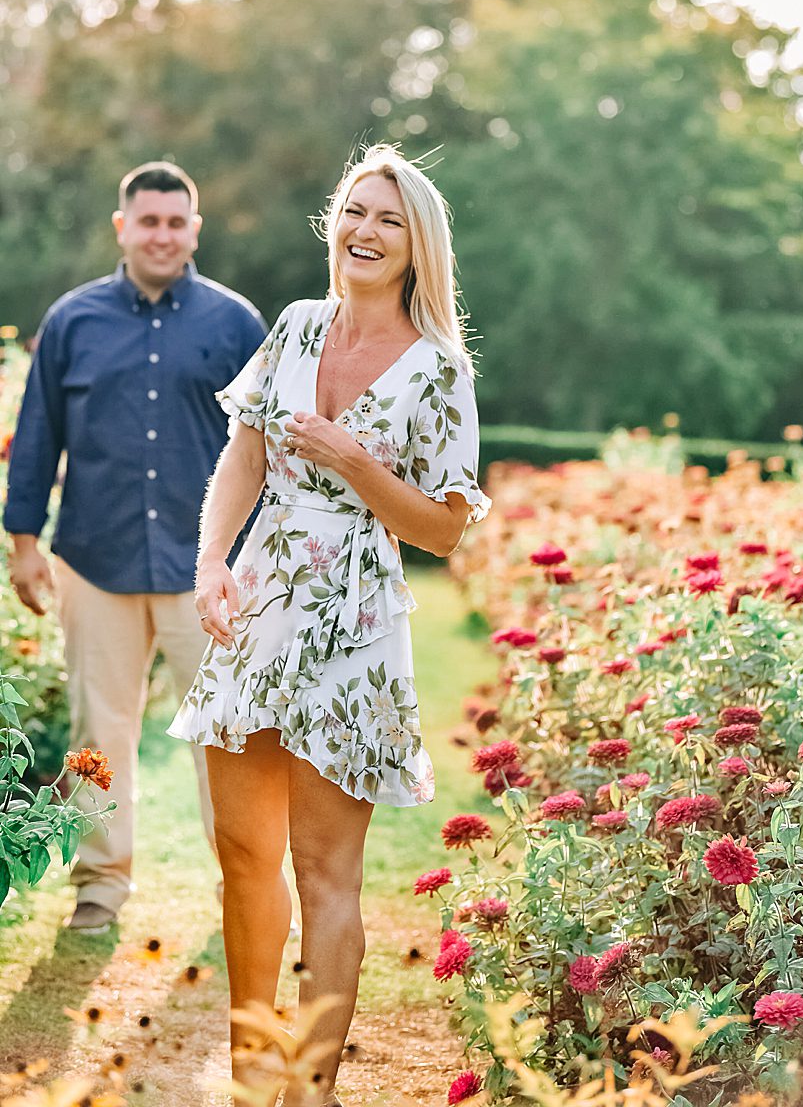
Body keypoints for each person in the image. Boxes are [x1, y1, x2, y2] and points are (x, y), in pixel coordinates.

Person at [169, 143, 490, 1104]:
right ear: (333, 224)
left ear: (417, 245)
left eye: (389, 219)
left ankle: (310, 1086)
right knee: (242, 854)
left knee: (323, 866)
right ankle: (252, 1070)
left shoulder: (438, 372)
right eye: (356, 211)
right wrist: (212, 561)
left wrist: (358, 463)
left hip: (354, 618)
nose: (366, 230)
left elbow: (443, 529)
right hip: (260, 605)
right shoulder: (298, 327)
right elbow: (245, 454)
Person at [4, 162, 267, 932]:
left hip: (208, 572)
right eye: (147, 221)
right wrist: (25, 543)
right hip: (95, 558)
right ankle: (100, 887)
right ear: (123, 227)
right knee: (98, 737)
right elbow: (38, 437)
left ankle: (244, 894)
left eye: (176, 222)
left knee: (225, 737)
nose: (162, 234)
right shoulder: (72, 320)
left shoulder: (235, 324)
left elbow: (266, 448)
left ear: (195, 229)